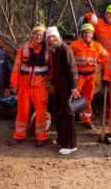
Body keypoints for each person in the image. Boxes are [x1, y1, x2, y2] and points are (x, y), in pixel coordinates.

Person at [8, 24, 51, 147]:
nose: (38, 36)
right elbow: (16, 66)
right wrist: (14, 84)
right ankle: (19, 135)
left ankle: (42, 137)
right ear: (32, 35)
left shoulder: (48, 48)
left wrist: (51, 80)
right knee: (22, 111)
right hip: (24, 86)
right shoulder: (24, 47)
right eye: (36, 34)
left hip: (40, 86)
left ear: (44, 36)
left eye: (41, 35)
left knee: (41, 112)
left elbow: (52, 67)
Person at [46, 26, 79, 155]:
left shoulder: (65, 49)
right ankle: (61, 138)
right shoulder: (54, 50)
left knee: (67, 114)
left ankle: (70, 144)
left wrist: (73, 86)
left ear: (57, 36)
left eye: (53, 36)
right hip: (58, 87)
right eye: (48, 37)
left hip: (67, 87)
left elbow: (72, 68)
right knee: (58, 112)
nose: (51, 39)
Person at [69, 23, 108, 129]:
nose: (87, 35)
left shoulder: (97, 46)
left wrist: (98, 60)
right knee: (74, 98)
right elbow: (68, 58)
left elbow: (106, 55)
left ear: (92, 34)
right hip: (78, 76)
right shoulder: (74, 45)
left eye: (89, 33)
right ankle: (71, 119)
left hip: (91, 76)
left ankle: (87, 119)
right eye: (85, 33)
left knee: (88, 98)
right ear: (82, 34)